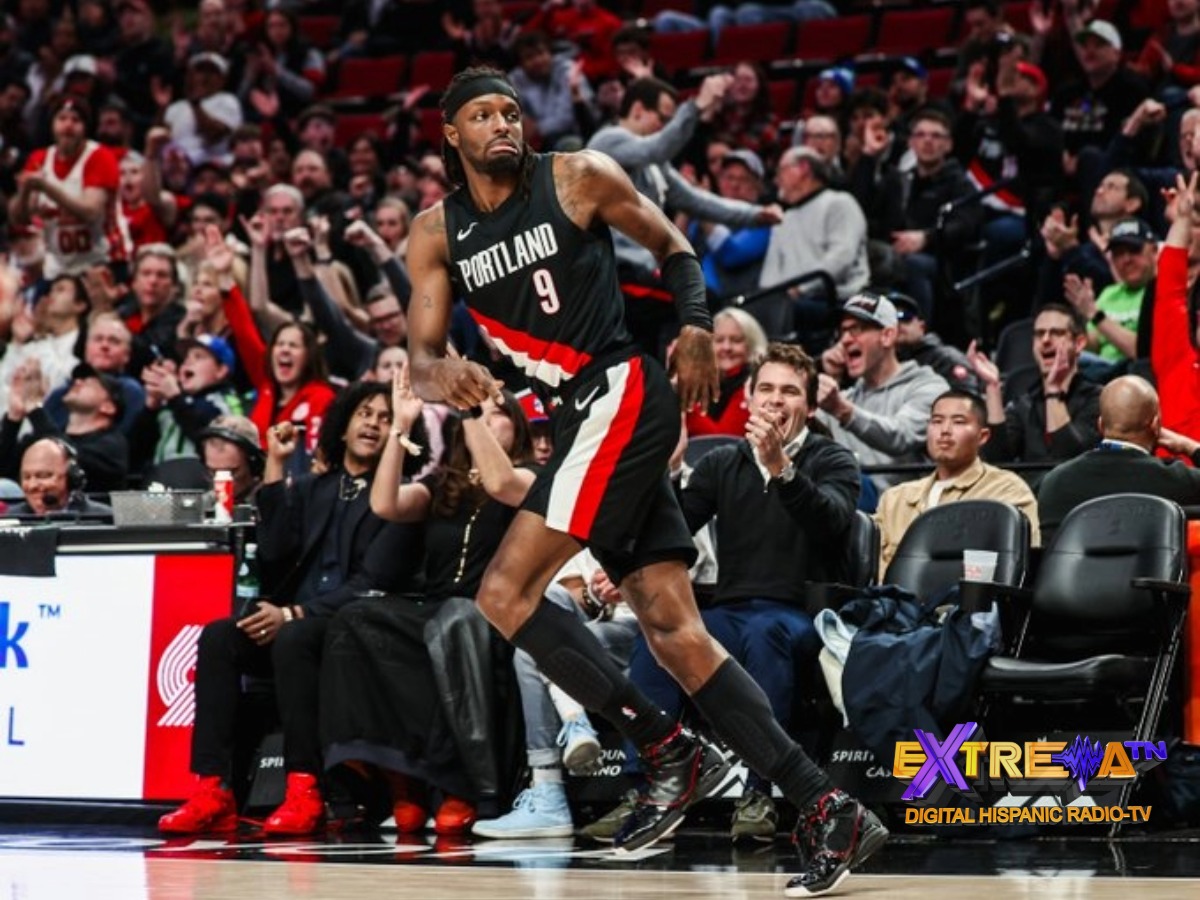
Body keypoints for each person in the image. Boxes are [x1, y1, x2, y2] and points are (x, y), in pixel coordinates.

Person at [404, 67, 886, 895]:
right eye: (483, 115)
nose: (502, 125)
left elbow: (674, 246)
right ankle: (824, 803)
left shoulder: (578, 174)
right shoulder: (435, 232)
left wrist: (696, 328)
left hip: (621, 392)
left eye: (512, 111)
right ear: (451, 134)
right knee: (673, 628)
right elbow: (419, 355)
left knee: (504, 592)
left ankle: (667, 749)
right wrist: (437, 375)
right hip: (574, 417)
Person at [609, 343, 860, 843]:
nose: (775, 400)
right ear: (748, 399)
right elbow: (674, 529)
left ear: (809, 406)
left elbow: (832, 523)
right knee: (657, 633)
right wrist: (668, 470)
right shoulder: (724, 461)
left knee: (765, 636)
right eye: (765, 388)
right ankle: (650, 783)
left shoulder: (833, 458)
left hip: (801, 614)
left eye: (789, 391)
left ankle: (760, 791)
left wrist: (782, 469)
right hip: (732, 607)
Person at [157, 382, 424, 836]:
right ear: (341, 427)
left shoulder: (402, 497)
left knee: (295, 638)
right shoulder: (312, 488)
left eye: (384, 417)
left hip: (348, 632)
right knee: (219, 636)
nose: (373, 424)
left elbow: (373, 583)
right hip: (293, 623)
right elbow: (275, 554)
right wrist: (277, 464)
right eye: (364, 414)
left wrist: (294, 615)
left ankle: (304, 789)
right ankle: (213, 788)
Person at [874, 390, 1040, 575]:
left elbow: (1019, 566)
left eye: (959, 421)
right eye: (937, 421)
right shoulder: (895, 498)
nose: (945, 430)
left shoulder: (1007, 491)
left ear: (983, 436)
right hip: (890, 601)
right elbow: (871, 569)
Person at [816, 292, 949, 492]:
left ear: (887, 336)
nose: (844, 340)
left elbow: (900, 436)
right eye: (842, 332)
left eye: (856, 329)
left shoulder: (928, 387)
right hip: (849, 508)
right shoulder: (845, 398)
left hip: (903, 509)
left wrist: (843, 411)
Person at [1037, 375, 1200, 538]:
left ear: (1100, 425)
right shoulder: (1179, 481)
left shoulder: (1054, 483)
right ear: (1155, 426)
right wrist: (1191, 447)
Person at [968, 304, 1103, 468]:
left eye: (1056, 333)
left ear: (1079, 343)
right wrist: (993, 387)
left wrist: (1053, 392)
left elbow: (1069, 460)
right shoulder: (1023, 404)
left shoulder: (1098, 399)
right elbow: (997, 461)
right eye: (1039, 334)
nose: (1046, 340)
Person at [685, 307, 766, 438]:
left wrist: (686, 404)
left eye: (736, 340)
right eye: (719, 340)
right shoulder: (705, 380)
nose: (726, 347)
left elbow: (724, 440)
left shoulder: (753, 384)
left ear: (752, 345)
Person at [3, 436, 113, 519]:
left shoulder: (104, 518)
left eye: (43, 476)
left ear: (72, 477)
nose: (32, 485)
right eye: (26, 477)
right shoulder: (9, 519)